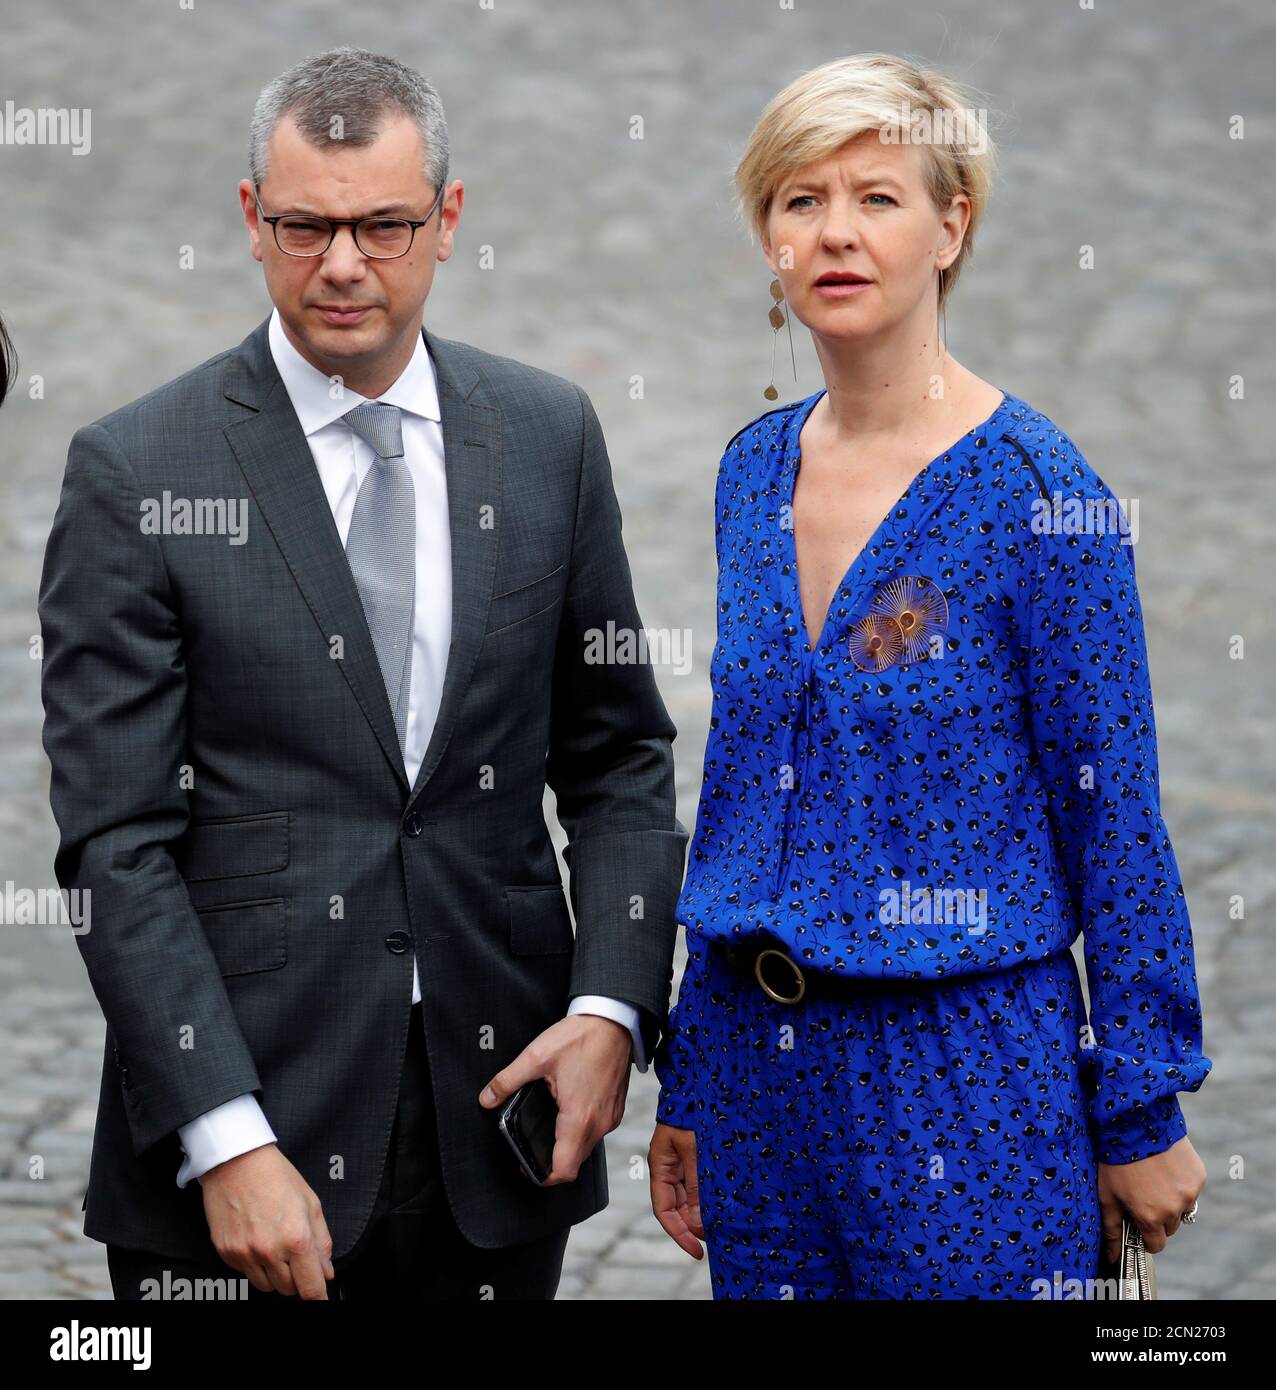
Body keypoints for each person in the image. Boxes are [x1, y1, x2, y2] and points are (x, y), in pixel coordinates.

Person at [38, 46, 688, 1301]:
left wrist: (611, 1009)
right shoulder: (137, 472)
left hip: (499, 1141)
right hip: (240, 1162)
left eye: (383, 225)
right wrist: (220, 1135)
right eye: (306, 226)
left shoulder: (548, 438)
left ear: (448, 219)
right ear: (249, 220)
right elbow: (116, 843)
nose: (342, 264)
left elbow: (616, 756)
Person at [648, 52, 1209, 1300]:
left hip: (961, 1074)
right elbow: (743, 788)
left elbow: (1110, 809)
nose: (834, 233)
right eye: (798, 201)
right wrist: (694, 1072)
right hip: (758, 1065)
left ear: (952, 225)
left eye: (877, 197)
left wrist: (1140, 1107)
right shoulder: (752, 476)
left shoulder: (1039, 495)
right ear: (766, 239)